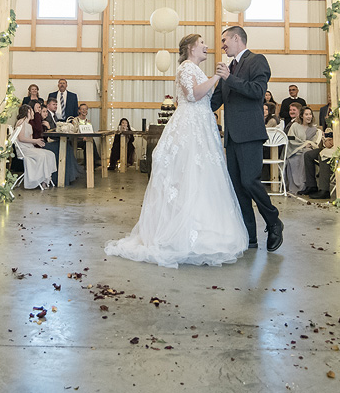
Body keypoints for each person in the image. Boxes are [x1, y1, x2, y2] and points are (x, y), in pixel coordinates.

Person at [106, 33, 248, 267]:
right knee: (188, 174)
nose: (206, 46)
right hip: (189, 127)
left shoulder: (195, 68)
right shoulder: (185, 68)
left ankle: (206, 228)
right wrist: (216, 78)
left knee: (204, 177)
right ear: (191, 48)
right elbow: (193, 95)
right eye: (202, 44)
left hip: (202, 126)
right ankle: (182, 232)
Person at [212, 25, 283, 252]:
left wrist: (230, 78)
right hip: (231, 137)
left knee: (249, 182)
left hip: (250, 134)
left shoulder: (257, 60)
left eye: (225, 40)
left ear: (236, 38)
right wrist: (190, 101)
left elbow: (256, 91)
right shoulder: (228, 69)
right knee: (238, 188)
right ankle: (249, 238)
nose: (222, 45)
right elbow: (215, 101)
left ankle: (273, 221)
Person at [13, 104, 55, 189]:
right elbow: (21, 138)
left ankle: (46, 179)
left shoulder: (28, 124)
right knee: (42, 155)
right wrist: (35, 141)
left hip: (30, 148)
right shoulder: (21, 121)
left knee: (50, 154)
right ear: (28, 111)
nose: (33, 113)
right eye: (32, 111)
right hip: (23, 149)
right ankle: (41, 180)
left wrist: (38, 143)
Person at [284, 107, 322, 194]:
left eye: (310, 114)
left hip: (306, 151)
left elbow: (314, 142)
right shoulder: (295, 126)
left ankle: (305, 185)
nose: (309, 116)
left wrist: (309, 144)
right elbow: (291, 139)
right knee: (294, 159)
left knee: (306, 153)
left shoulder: (313, 129)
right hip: (294, 151)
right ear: (301, 116)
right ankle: (297, 186)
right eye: (306, 114)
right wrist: (303, 145)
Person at [300, 130, 335, 199]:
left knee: (323, 156)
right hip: (329, 147)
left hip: (337, 149)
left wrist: (332, 142)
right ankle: (311, 185)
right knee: (308, 155)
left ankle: (324, 190)